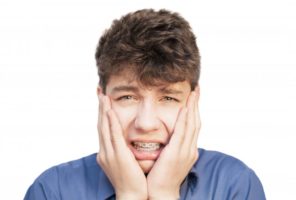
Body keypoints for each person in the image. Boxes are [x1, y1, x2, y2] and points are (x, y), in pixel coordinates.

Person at [24, 9, 266, 200]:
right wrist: (130, 196)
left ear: (193, 101)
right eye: (127, 97)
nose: (146, 123)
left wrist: (164, 195)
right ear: (102, 99)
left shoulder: (235, 185)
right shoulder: (51, 191)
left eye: (168, 98)